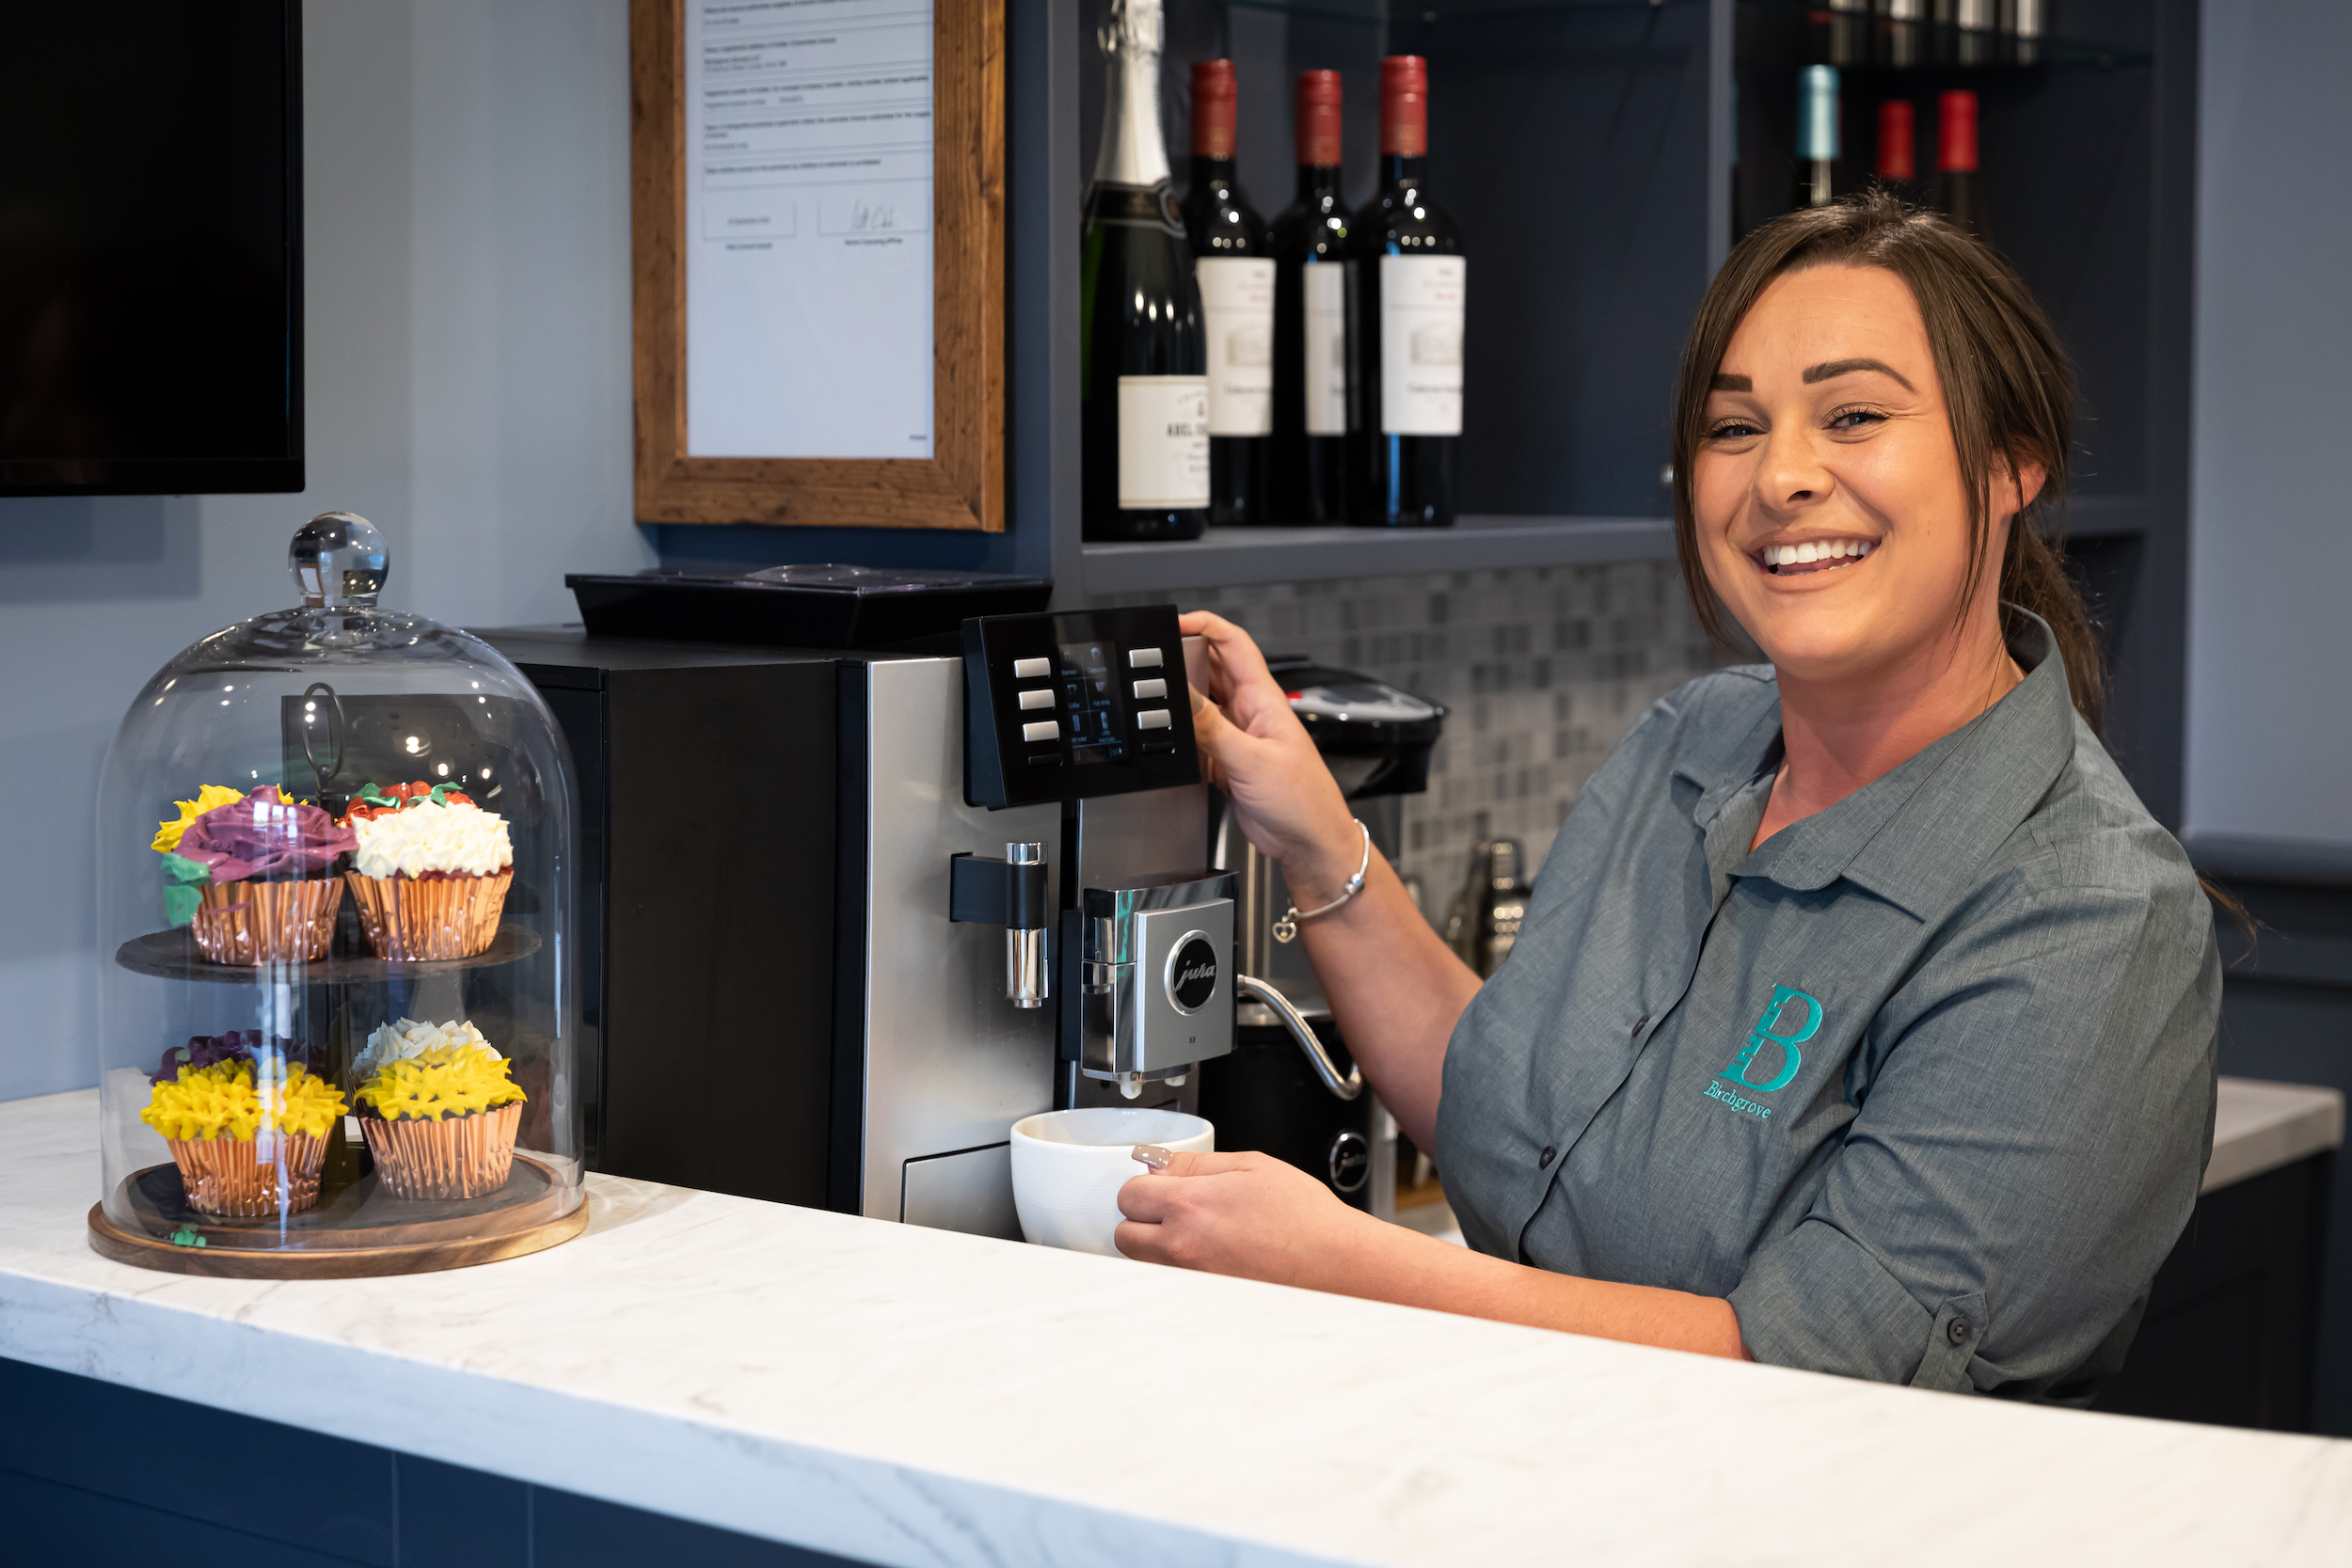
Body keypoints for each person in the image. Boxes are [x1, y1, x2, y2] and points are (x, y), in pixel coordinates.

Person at [1116, 191, 2221, 1402]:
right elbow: (1501, 1120)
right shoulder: (1689, 745)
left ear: (2011, 466)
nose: (1783, 476)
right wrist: (1315, 836)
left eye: (1853, 415)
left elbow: (1813, 1372)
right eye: (1733, 427)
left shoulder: (2091, 916)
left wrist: (1349, 1266)